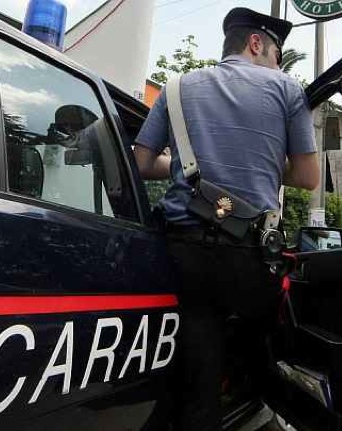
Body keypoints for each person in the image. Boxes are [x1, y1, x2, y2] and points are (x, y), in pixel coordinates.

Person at [134, 7, 320, 431]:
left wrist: (185, 168)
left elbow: (142, 163)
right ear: (256, 43)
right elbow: (308, 177)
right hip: (249, 257)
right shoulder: (287, 89)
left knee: (199, 369)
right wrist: (266, 165)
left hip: (184, 253)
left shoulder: (176, 88)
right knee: (261, 358)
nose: (278, 65)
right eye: (276, 55)